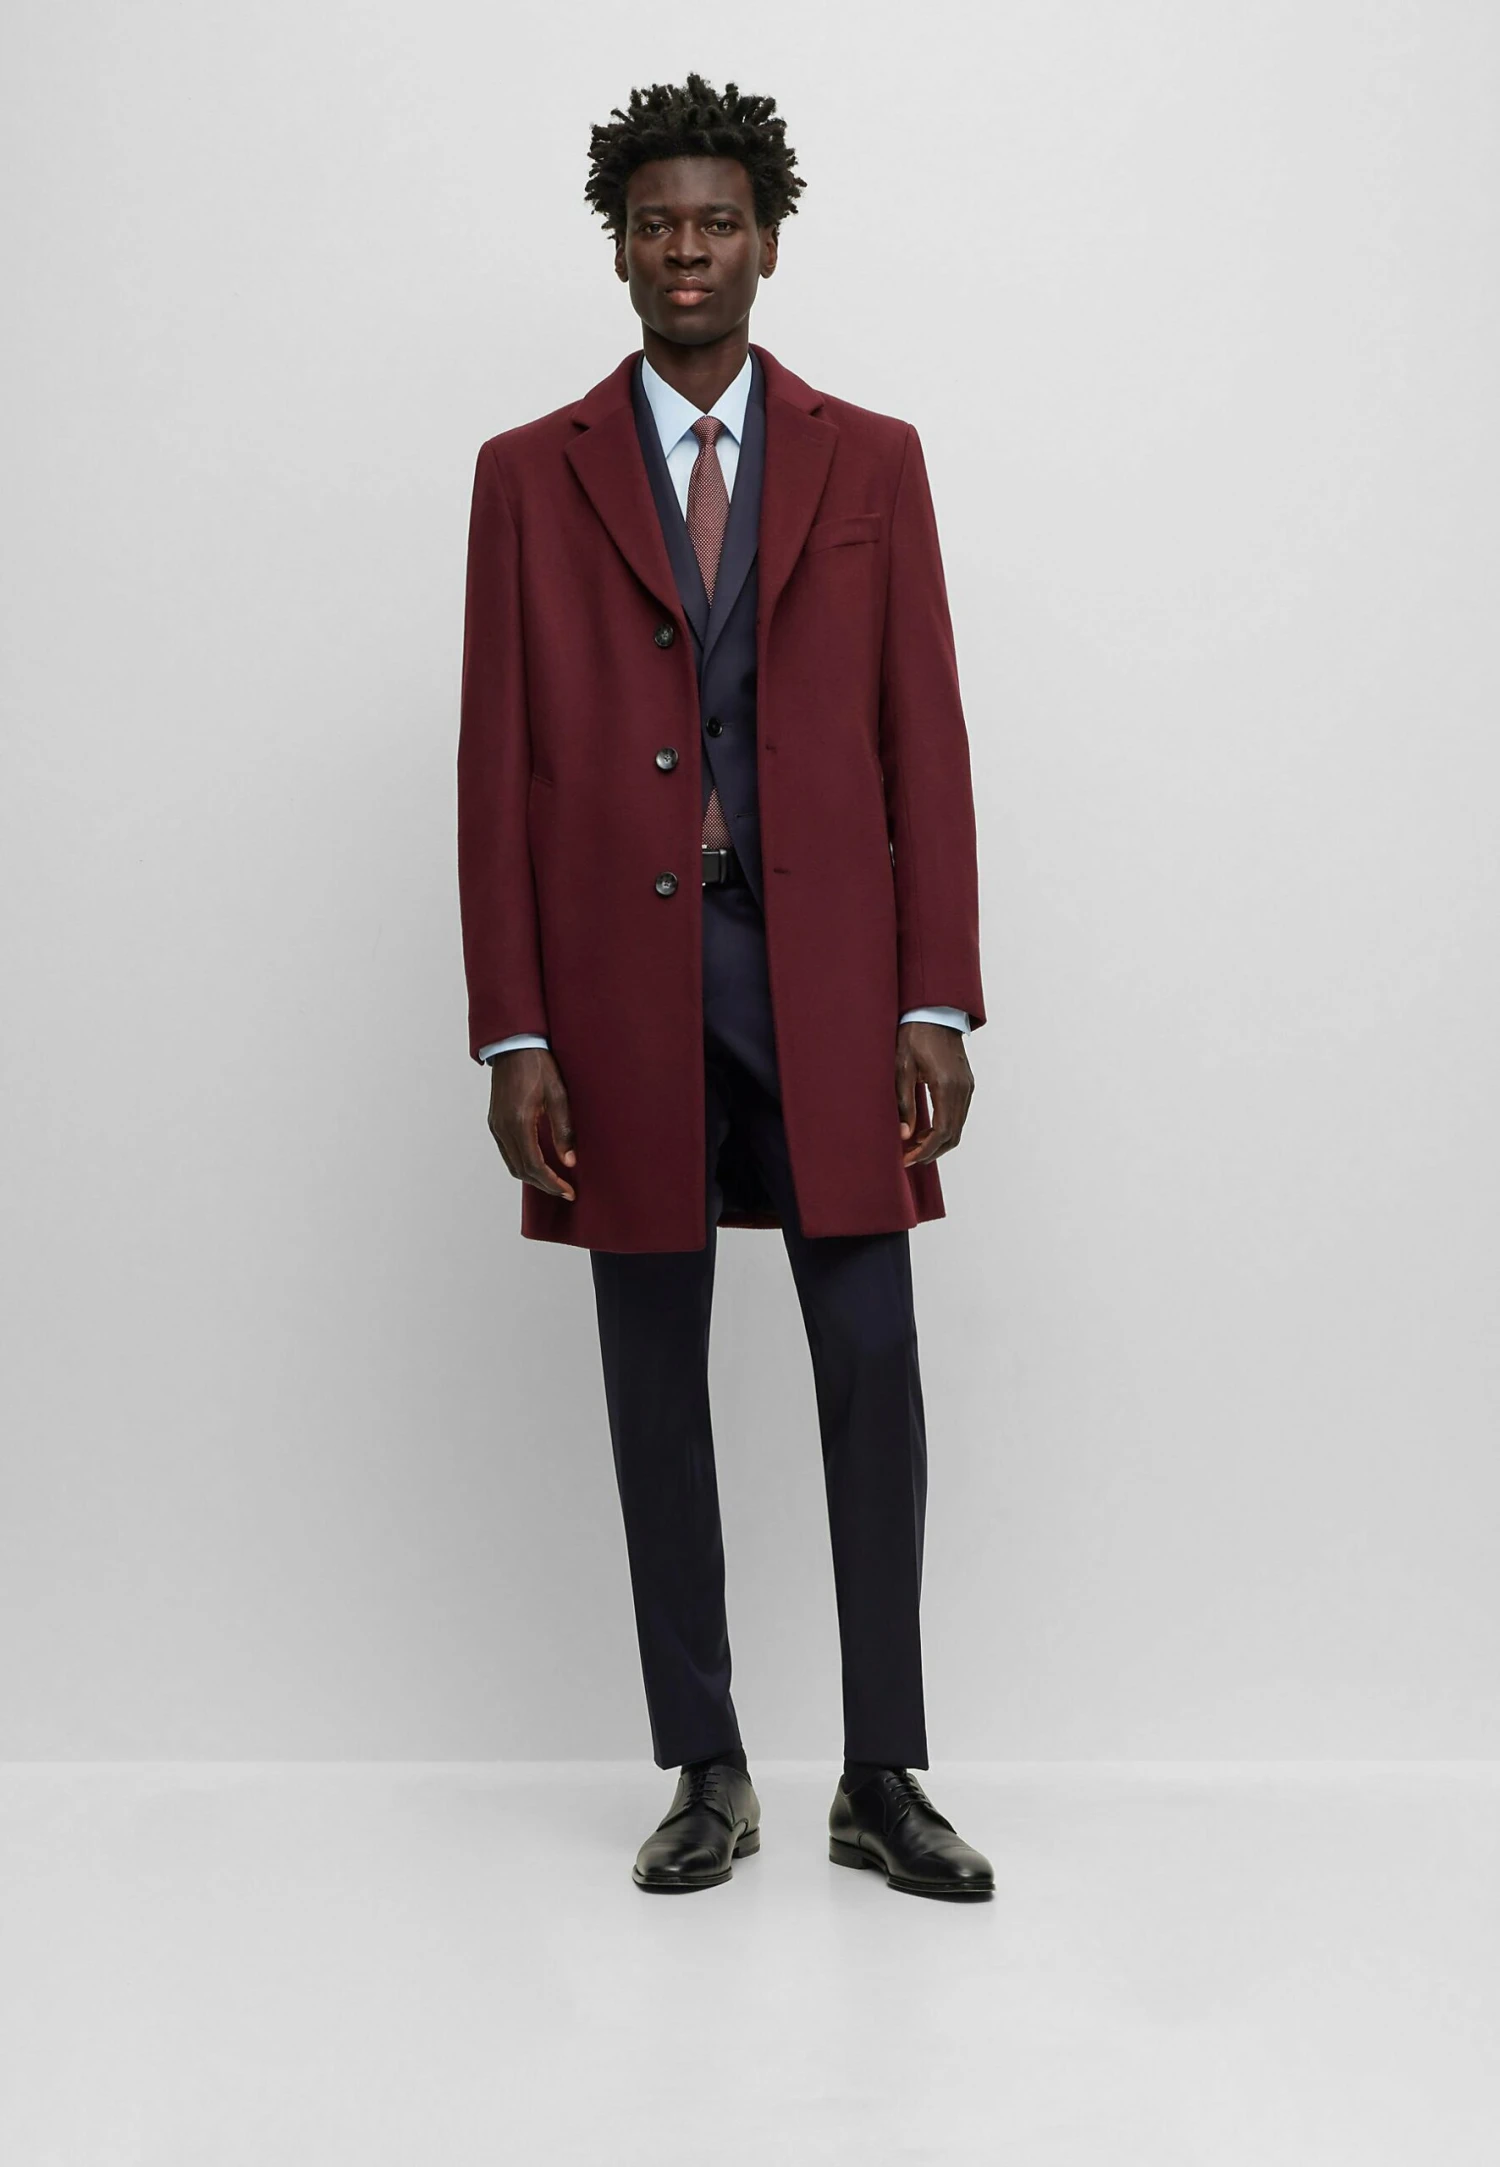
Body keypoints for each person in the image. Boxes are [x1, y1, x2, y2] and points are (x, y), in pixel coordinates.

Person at [457, 76, 992, 1899]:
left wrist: (938, 998)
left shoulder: (875, 460)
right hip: (617, 989)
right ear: (618, 247)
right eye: (655, 225)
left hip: (826, 980)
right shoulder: (527, 475)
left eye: (717, 223)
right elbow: (498, 764)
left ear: (769, 240)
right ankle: (705, 1764)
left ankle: (882, 1772)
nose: (685, 251)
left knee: (873, 1360)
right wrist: (515, 1025)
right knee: (651, 1377)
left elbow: (927, 741)